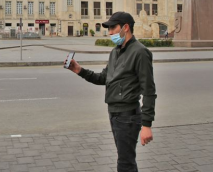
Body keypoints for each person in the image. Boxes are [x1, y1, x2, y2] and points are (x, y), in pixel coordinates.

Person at [65, 11, 157, 171]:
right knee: (126, 160)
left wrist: (147, 124)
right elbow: (104, 78)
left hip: (128, 116)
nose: (110, 32)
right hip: (114, 114)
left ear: (126, 27)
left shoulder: (140, 52)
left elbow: (149, 90)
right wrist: (80, 70)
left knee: (125, 163)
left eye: (113, 28)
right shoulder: (115, 52)